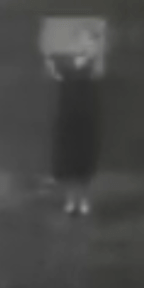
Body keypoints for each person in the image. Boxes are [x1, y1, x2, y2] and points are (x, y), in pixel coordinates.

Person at [45, 31, 102, 216]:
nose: (85, 46)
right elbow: (56, 74)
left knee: (83, 162)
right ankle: (71, 200)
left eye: (89, 42)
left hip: (85, 118)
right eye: (83, 42)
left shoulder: (93, 66)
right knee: (69, 161)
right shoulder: (66, 64)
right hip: (69, 116)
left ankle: (83, 199)